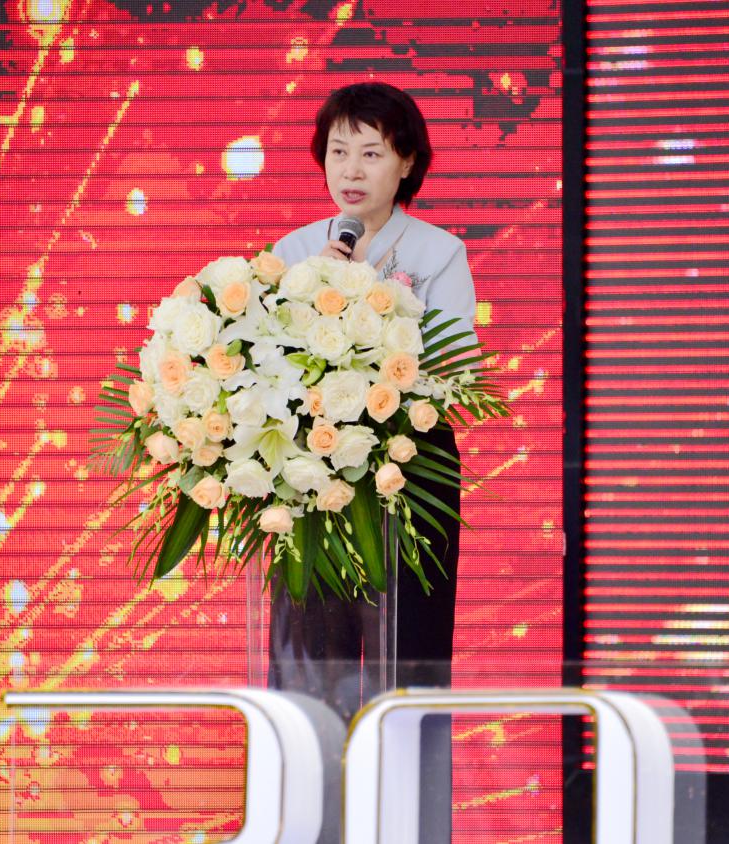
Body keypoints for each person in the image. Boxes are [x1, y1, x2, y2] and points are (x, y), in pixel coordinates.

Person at [267, 81, 478, 843]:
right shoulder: (294, 254)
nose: (350, 170)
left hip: (406, 474)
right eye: (337, 152)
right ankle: (309, 827)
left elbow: (454, 371)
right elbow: (264, 371)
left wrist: (365, 299)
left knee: (404, 661)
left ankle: (408, 829)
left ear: (406, 162)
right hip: (311, 476)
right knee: (308, 664)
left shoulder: (438, 253)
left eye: (370, 152)